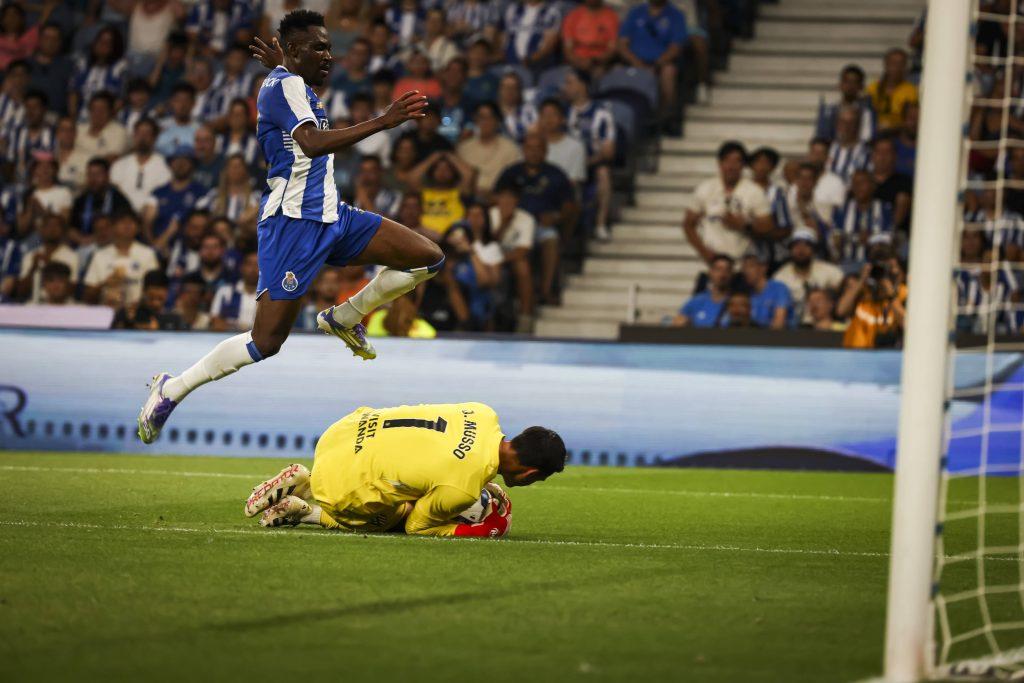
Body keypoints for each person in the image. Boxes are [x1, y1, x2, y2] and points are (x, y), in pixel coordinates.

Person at [138, 9, 440, 445]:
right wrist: (384, 120)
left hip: (333, 215)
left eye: (330, 47)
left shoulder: (289, 83)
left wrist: (285, 61)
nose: (330, 56)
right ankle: (171, 389)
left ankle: (346, 316)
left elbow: (292, 91)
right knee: (265, 342)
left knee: (427, 258)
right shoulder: (285, 85)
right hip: (293, 223)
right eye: (319, 47)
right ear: (296, 50)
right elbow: (312, 143)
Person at [244, 402, 565, 537]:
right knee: (395, 516)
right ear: (530, 473)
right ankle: (309, 498)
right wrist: (474, 529)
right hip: (342, 483)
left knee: (408, 480)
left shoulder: (483, 413)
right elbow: (416, 526)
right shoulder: (462, 488)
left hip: (341, 433)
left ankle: (304, 492)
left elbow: (438, 451)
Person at [683, 141, 773, 266]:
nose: (732, 166)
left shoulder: (754, 191)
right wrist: (704, 253)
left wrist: (745, 225)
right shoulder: (705, 188)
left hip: (742, 264)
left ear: (743, 165)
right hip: (711, 263)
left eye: (737, 161)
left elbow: (767, 226)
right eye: (727, 160)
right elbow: (688, 225)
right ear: (720, 163)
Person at [563, 69, 616, 240]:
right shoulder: (562, 113)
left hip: (592, 164)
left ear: (582, 85)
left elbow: (608, 151)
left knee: (604, 173)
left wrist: (587, 162)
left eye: (569, 83)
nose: (565, 87)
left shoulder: (601, 113)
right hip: (565, 164)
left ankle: (600, 225)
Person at [618, 0, 687, 127]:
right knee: (616, 70)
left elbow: (676, 47)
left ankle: (666, 117)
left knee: (669, 72)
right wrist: (638, 64)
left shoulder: (676, 15)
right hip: (634, 62)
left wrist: (656, 64)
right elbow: (622, 44)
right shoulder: (635, 12)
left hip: (660, 64)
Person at [82, 210, 160, 307]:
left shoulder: (148, 254)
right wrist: (105, 284)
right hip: (105, 311)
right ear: (113, 227)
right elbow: (87, 294)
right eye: (123, 222)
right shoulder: (100, 255)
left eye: (131, 222)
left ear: (138, 228)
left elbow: (156, 289)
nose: (127, 226)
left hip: (138, 312)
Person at [772, 228, 844, 325]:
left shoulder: (830, 271)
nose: (801, 250)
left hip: (823, 327)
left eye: (806, 245)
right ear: (790, 250)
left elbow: (846, 291)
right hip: (791, 329)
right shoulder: (780, 277)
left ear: (814, 250)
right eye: (796, 245)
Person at [837, 256, 907, 348]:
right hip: (854, 353)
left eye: (892, 268)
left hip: (887, 354)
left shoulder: (902, 293)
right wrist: (861, 280)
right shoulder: (862, 291)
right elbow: (841, 311)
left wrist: (889, 292)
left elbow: (907, 324)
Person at [457, 101, 523, 197]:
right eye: (481, 118)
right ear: (475, 120)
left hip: (498, 199)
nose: (485, 122)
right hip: (469, 199)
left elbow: (513, 180)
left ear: (497, 121)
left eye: (490, 118)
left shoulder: (510, 148)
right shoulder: (464, 148)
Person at [109, 118, 171, 217]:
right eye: (139, 133)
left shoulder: (166, 166)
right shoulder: (119, 165)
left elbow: (164, 195)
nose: (142, 138)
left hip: (153, 216)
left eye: (147, 134)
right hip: (122, 216)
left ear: (155, 138)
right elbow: (113, 194)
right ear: (134, 136)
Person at [561, 0, 619, 79]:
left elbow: (612, 48)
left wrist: (594, 61)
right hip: (576, 63)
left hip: (600, 64)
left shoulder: (611, 17)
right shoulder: (573, 16)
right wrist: (579, 62)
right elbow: (568, 48)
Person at [672, 253, 733, 327]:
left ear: (731, 274)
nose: (722, 274)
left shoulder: (738, 303)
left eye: (727, 270)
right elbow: (676, 326)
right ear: (710, 272)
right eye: (718, 269)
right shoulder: (696, 301)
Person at [866, 48, 918, 133]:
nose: (896, 67)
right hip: (874, 133)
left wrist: (890, 128)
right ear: (885, 64)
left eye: (901, 64)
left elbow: (911, 120)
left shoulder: (911, 91)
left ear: (905, 67)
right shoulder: (872, 88)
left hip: (899, 134)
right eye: (893, 63)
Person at [740, 252, 791, 329]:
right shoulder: (746, 294)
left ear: (763, 268)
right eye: (744, 267)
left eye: (750, 266)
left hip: (781, 338)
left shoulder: (779, 289)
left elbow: (779, 324)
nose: (746, 271)